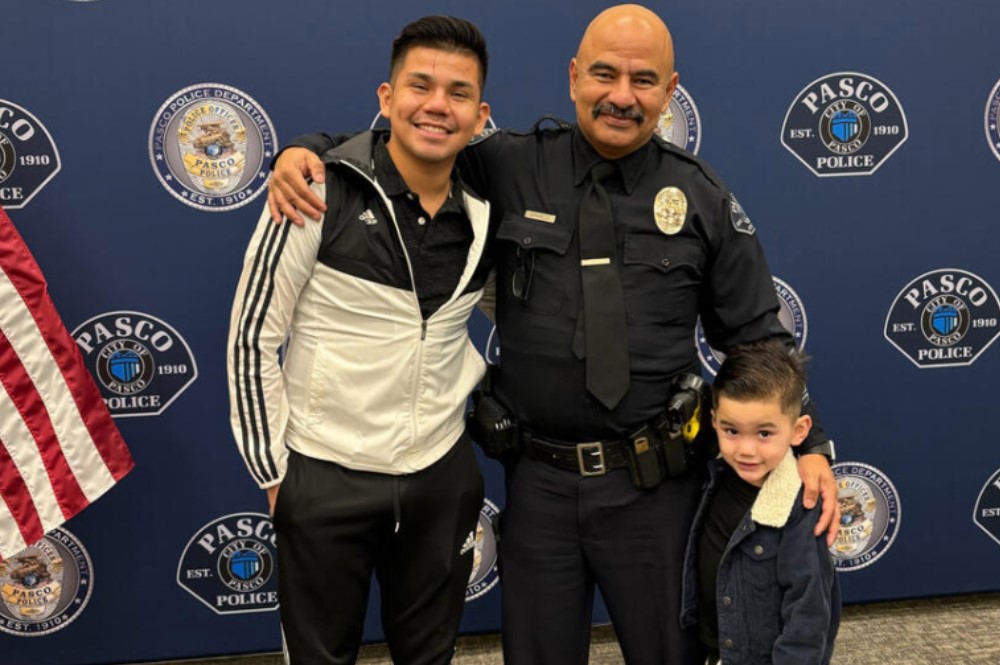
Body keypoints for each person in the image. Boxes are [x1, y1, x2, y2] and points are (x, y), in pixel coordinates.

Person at [265, 5, 840, 663]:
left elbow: (758, 338)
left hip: (655, 491)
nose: (621, 95)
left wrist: (812, 441)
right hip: (539, 486)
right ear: (573, 78)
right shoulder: (506, 164)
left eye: (643, 80)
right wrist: (304, 149)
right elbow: (409, 141)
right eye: (604, 73)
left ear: (670, 90)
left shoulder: (701, 196)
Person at [226, 16, 493, 665]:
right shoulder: (317, 187)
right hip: (325, 473)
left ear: (480, 114)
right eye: (419, 85)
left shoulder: (493, 203)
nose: (436, 105)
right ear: (385, 97)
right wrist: (276, 474)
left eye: (458, 92)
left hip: (440, 475)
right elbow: (251, 337)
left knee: (429, 656)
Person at [681, 340, 840, 665]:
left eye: (764, 433)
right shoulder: (712, 478)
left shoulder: (800, 509)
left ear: (799, 431)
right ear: (714, 421)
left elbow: (808, 617)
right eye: (732, 431)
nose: (747, 450)